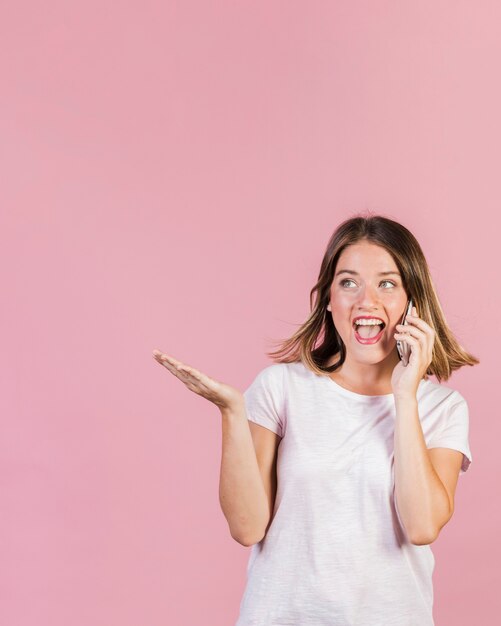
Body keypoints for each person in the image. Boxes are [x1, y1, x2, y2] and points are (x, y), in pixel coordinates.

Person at [152, 213, 479, 626]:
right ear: (328, 298)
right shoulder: (280, 388)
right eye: (348, 282)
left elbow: (421, 526)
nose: (366, 300)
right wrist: (233, 412)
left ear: (414, 303)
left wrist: (404, 395)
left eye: (387, 283)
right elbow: (247, 527)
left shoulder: (442, 408)